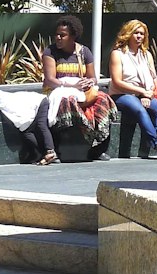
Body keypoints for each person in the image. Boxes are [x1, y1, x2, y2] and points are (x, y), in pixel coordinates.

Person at [32, 16, 114, 164]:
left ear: (73, 36)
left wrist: (89, 81)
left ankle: (99, 148)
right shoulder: (50, 52)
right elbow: (50, 80)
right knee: (67, 102)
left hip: (82, 92)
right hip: (57, 91)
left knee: (103, 99)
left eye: (62, 35)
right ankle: (59, 149)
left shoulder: (84, 52)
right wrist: (72, 86)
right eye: (57, 34)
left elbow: (93, 78)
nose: (58, 37)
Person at [109, 20, 157, 159]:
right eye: (136, 33)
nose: (139, 36)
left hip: (145, 94)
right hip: (122, 94)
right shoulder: (117, 54)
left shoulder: (147, 55)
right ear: (128, 34)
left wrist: (148, 95)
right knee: (139, 109)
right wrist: (141, 92)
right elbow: (117, 82)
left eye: (142, 34)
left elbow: (152, 79)